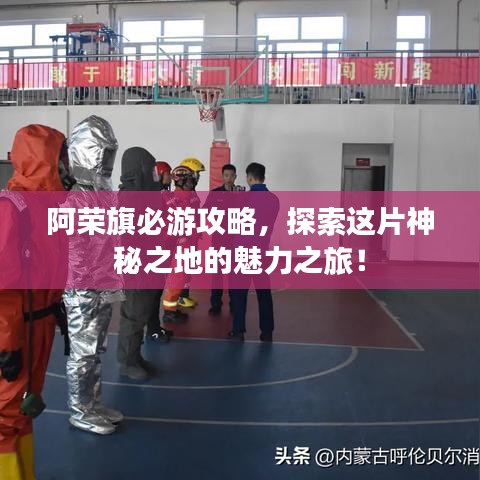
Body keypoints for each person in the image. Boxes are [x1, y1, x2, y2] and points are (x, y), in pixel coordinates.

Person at [0, 124, 73, 479]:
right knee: (5, 416)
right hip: (15, 333)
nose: (67, 167)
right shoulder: (11, 210)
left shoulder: (48, 209)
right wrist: (8, 346)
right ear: (45, 160)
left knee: (24, 411)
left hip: (38, 327)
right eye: (62, 160)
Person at [64, 116, 124, 435]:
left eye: (110, 152)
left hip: (101, 285)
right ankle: (80, 410)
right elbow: (74, 247)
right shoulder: (76, 192)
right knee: (83, 353)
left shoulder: (101, 189)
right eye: (103, 151)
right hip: (83, 288)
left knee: (95, 351)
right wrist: (86, 285)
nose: (107, 159)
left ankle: (93, 404)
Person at [116, 147, 172, 379]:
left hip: (150, 264)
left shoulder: (144, 197)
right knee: (133, 315)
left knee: (142, 313)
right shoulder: (129, 200)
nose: (155, 176)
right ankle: (127, 362)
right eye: (150, 171)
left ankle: (135, 356)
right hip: (137, 268)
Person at [228, 162, 279, 342]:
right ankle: (267, 331)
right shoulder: (274, 200)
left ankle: (238, 330)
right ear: (263, 177)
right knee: (264, 294)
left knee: (239, 294)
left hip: (242, 252)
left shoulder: (243, 198)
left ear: (249, 177)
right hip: (262, 252)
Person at [162, 158, 204, 324]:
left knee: (183, 276)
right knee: (177, 277)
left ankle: (176, 306)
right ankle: (169, 311)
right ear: (183, 181)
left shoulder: (189, 196)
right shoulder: (174, 199)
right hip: (181, 244)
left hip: (189, 241)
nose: (194, 181)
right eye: (192, 178)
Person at [145, 160, 175, 342]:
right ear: (159, 175)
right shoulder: (154, 196)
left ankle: (155, 327)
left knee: (158, 291)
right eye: (168, 173)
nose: (171, 177)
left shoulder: (164, 194)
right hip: (156, 251)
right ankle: (152, 330)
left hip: (164, 249)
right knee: (153, 294)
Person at [205, 164, 239, 316]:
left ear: (235, 177)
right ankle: (216, 304)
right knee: (217, 274)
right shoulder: (215, 194)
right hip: (218, 240)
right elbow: (205, 212)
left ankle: (235, 304)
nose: (229, 178)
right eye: (226, 175)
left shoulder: (241, 194)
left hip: (235, 241)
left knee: (233, 275)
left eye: (231, 175)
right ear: (222, 176)